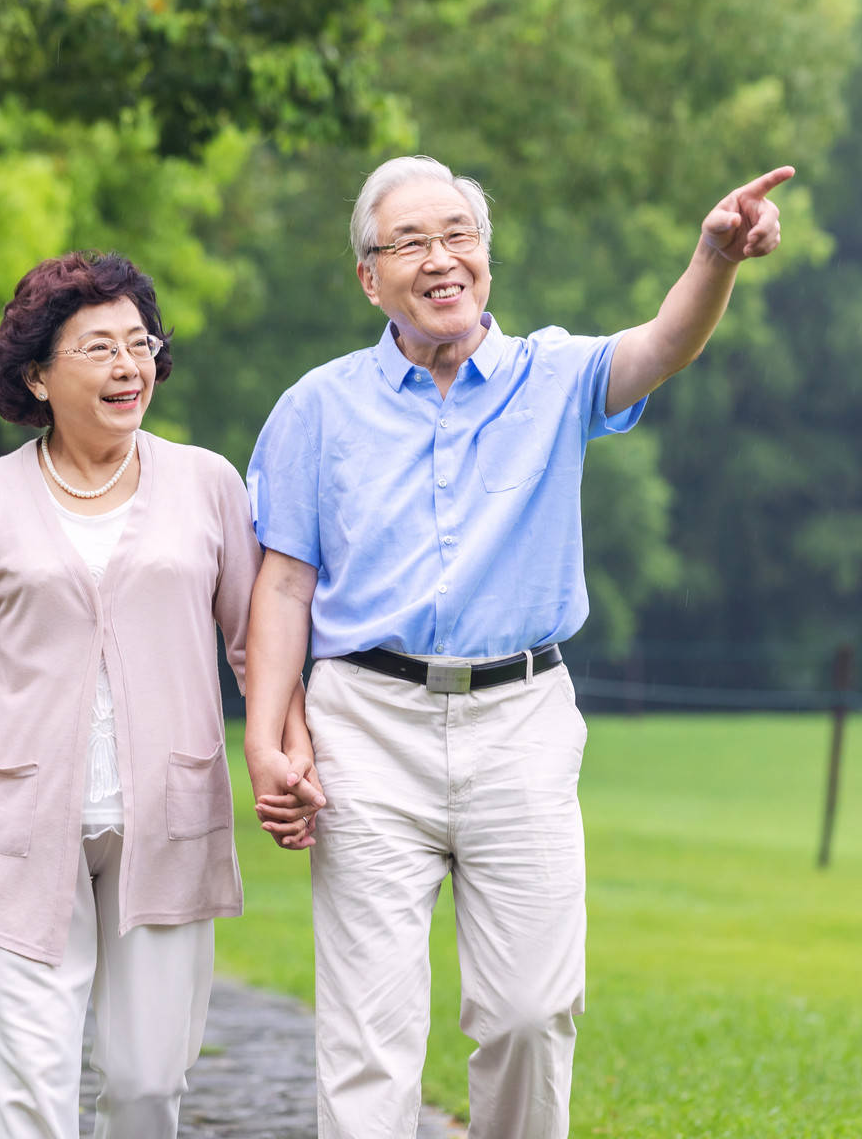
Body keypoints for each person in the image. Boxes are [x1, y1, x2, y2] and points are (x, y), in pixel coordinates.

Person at [241, 156, 791, 1138]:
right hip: (366, 721)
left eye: (460, 235)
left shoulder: (555, 374)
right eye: (410, 242)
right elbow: (283, 583)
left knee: (533, 1012)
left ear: (487, 256)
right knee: (370, 1031)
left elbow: (663, 344)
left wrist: (715, 257)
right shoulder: (317, 408)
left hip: (520, 718)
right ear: (370, 277)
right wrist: (266, 734)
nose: (442, 258)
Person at [0, 250, 320, 1139]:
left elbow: (258, 647)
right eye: (99, 348)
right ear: (38, 377)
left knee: (144, 1086)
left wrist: (287, 753)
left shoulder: (207, 483)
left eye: (140, 344)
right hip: (18, 826)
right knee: (31, 1095)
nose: (130, 367)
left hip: (169, 814)